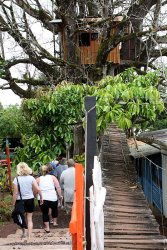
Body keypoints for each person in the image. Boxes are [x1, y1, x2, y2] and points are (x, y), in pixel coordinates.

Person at [12, 162, 43, 238]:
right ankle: (29, 236)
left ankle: (24, 231)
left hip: (20, 200)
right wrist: (42, 198)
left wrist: (13, 203)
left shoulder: (17, 179)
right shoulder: (31, 178)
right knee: (29, 218)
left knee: (21, 216)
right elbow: (38, 189)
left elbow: (15, 193)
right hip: (30, 199)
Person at [36, 164, 63, 232]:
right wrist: (60, 196)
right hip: (52, 197)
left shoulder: (38, 179)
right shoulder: (53, 177)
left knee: (45, 213)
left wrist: (35, 195)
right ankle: (55, 222)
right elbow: (58, 187)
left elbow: (35, 189)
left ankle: (47, 228)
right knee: (54, 209)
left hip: (42, 198)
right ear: (48, 171)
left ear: (40, 171)